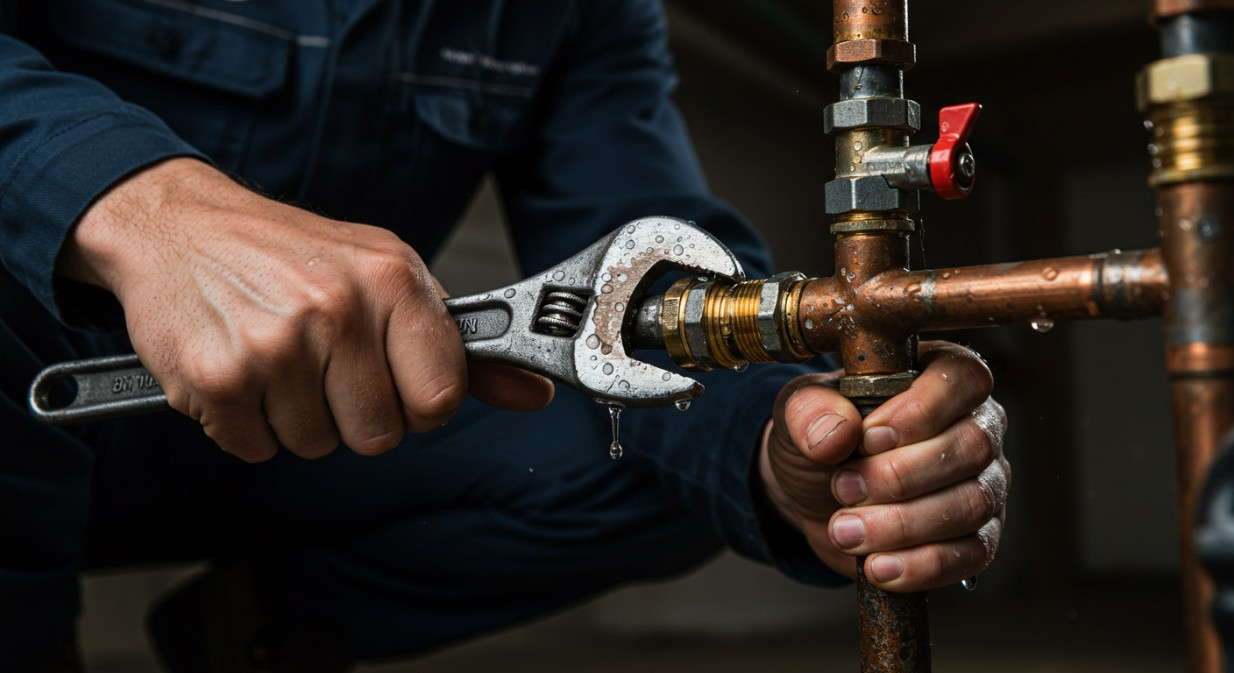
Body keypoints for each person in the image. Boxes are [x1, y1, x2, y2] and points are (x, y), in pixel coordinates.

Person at [0, 1, 1010, 671]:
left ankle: (241, 634)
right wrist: (142, 208)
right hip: (27, 398)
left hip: (293, 434)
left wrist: (778, 446)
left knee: (672, 455)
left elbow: (635, 249)